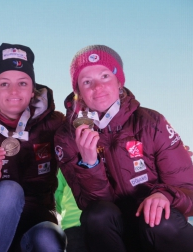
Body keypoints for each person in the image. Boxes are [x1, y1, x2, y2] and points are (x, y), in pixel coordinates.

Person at [54, 45, 193, 252]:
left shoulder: (151, 121)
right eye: (87, 81)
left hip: (156, 231)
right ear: (78, 92)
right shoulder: (67, 137)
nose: (97, 87)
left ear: (120, 81)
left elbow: (188, 190)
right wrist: (89, 164)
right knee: (98, 215)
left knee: (161, 219)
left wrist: (165, 195)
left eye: (105, 76)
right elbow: (92, 207)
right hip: (113, 236)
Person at [0, 43, 66, 252]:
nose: (14, 91)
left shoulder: (55, 124)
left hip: (36, 224)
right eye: (4, 84)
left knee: (49, 237)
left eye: (22, 83)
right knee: (8, 190)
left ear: (33, 90)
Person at [54, 170, 86, 252]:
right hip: (103, 223)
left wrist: (65, 211)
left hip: (71, 223)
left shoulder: (66, 164)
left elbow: (58, 193)